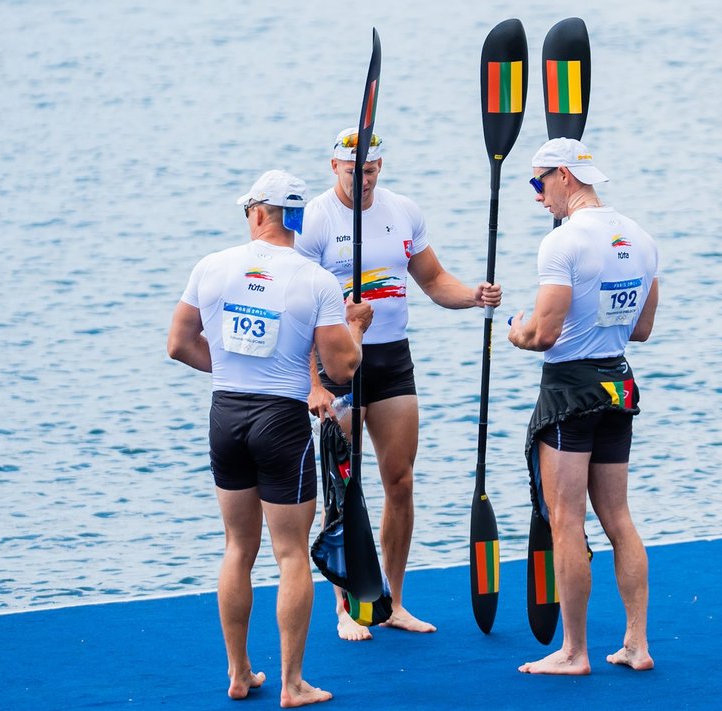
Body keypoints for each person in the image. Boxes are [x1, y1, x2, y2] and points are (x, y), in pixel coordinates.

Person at [167, 169, 373, 706]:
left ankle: (238, 674)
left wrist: (232, 374)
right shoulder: (315, 280)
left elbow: (178, 343)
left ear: (258, 213)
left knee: (237, 547)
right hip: (281, 420)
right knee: (289, 556)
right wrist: (355, 326)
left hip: (226, 414)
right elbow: (344, 369)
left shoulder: (211, 267)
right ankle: (291, 683)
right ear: (297, 220)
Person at [295, 128, 502, 639]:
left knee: (401, 482)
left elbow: (433, 281)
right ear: (333, 166)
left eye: (369, 170)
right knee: (341, 487)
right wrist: (312, 386)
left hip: (392, 360)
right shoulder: (315, 221)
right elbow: (294, 311)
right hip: (334, 364)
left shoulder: (403, 211)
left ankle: (392, 601)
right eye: (352, 170)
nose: (361, 179)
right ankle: (346, 606)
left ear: (380, 168)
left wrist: (474, 295)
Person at [508, 138, 659, 675]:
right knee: (618, 516)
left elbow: (544, 335)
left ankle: (574, 653)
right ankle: (637, 644)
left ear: (565, 177)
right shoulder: (641, 238)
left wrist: (514, 330)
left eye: (537, 183)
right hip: (619, 383)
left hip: (570, 390)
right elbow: (641, 329)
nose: (536, 196)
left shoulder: (563, 244)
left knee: (566, 521)